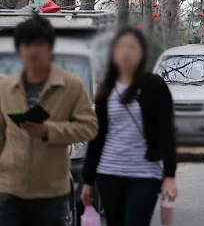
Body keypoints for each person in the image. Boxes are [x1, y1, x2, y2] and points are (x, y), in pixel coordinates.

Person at [0, 15, 98, 226]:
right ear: (20, 50)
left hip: (50, 190)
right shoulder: (6, 87)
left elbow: (89, 127)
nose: (33, 51)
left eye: (39, 44)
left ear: (50, 48)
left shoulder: (71, 85)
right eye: (27, 45)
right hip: (10, 189)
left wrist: (49, 131)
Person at [81, 27, 178, 226]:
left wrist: (169, 175)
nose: (126, 52)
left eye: (132, 47)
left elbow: (167, 132)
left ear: (141, 53)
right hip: (109, 173)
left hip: (145, 174)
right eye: (121, 47)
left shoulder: (154, 86)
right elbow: (97, 137)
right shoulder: (106, 89)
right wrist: (88, 180)